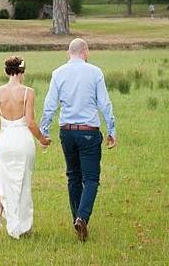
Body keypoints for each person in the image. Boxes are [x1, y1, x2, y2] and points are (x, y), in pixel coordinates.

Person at [40, 38, 117, 242]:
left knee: (73, 177)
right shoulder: (95, 72)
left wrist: (44, 130)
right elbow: (105, 104)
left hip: (67, 131)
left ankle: (77, 219)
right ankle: (82, 217)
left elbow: (50, 105)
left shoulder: (58, 73)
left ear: (68, 53)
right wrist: (112, 130)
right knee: (91, 179)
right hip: (89, 131)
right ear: (86, 52)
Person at [0, 56, 51, 238]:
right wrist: (42, 139)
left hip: (5, 142)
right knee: (23, 185)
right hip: (23, 141)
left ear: (7, 71)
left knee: (6, 181)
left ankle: (0, 206)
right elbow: (30, 123)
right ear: (22, 71)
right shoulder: (28, 92)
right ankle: (22, 227)